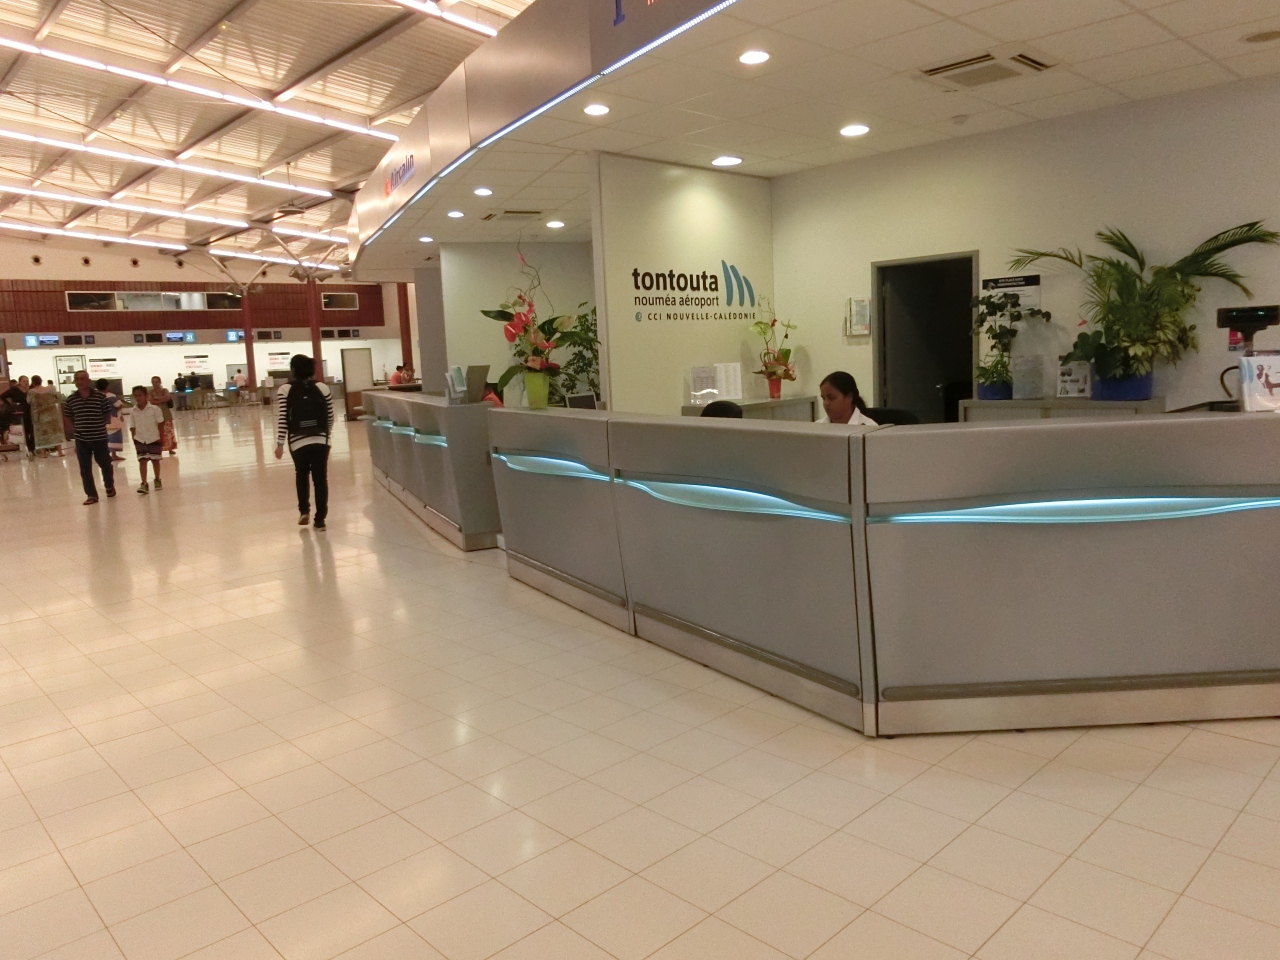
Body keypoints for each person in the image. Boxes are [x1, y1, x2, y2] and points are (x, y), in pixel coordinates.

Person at [275, 354, 334, 530]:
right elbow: (330, 416)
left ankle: (304, 511)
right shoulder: (323, 387)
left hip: (297, 441)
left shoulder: (285, 389)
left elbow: (283, 418)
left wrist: (280, 443)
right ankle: (320, 519)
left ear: (293, 370)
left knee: (301, 475)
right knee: (320, 478)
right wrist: (326, 435)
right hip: (321, 440)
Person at [63, 370, 115, 505]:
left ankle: (109, 485)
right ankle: (91, 494)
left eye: (82, 378)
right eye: (77, 379)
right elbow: (68, 416)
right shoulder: (71, 399)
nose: (79, 381)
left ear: (89, 381)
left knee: (105, 464)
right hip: (81, 439)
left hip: (99, 437)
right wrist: (75, 429)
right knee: (85, 468)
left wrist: (99, 425)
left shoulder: (100, 397)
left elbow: (107, 414)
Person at [127, 385, 166, 494]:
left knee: (155, 460)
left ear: (146, 396)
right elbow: (132, 426)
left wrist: (161, 437)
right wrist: (134, 439)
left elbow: (160, 423)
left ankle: (157, 479)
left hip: (154, 438)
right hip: (140, 439)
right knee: (142, 461)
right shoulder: (133, 411)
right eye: (136, 396)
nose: (138, 398)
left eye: (140, 395)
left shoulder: (154, 409)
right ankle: (144, 483)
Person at [2, 375, 31, 457]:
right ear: (20, 382)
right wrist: (10, 404)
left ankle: (31, 448)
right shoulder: (14, 390)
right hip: (19, 411)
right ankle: (25, 447)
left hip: (29, 411)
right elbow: (3, 396)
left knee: (30, 429)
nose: (26, 383)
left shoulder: (30, 390)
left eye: (27, 381)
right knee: (22, 429)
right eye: (24, 381)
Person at [97, 379, 126, 461]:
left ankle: (106, 454)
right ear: (107, 386)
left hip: (102, 420)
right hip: (113, 419)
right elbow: (119, 405)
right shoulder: (111, 396)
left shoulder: (97, 396)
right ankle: (114, 454)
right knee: (115, 436)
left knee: (105, 437)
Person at [149, 376, 177, 455]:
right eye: (153, 382)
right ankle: (159, 449)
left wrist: (156, 398)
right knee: (157, 433)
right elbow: (151, 401)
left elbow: (167, 398)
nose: (155, 384)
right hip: (155, 415)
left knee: (168, 431)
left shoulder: (165, 390)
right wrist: (161, 399)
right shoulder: (150, 392)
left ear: (160, 382)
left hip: (166, 413)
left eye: (156, 382)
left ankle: (170, 448)